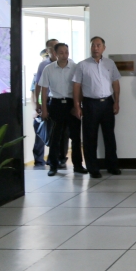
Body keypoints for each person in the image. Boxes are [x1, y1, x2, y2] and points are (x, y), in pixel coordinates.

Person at [72, 36, 121, 178]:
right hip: (90, 104)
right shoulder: (82, 65)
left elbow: (116, 83)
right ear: (90, 47)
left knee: (109, 136)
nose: (95, 48)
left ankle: (112, 166)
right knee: (90, 138)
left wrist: (116, 101)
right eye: (93, 45)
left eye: (98, 45)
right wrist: (77, 106)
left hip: (107, 103)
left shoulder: (110, 63)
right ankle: (93, 168)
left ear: (104, 48)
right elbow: (76, 86)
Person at [39, 43, 86, 176]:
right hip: (56, 104)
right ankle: (53, 166)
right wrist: (44, 108)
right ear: (55, 54)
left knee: (75, 137)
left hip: (71, 104)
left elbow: (80, 88)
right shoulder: (49, 69)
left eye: (66, 52)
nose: (64, 55)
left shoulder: (75, 67)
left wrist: (78, 106)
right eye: (61, 53)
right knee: (55, 137)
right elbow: (44, 89)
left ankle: (78, 165)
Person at [34, 39, 62, 168]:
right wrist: (38, 103)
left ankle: (55, 160)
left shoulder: (66, 63)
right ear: (47, 50)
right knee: (43, 130)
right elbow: (38, 85)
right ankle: (39, 160)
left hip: (61, 102)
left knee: (59, 132)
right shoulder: (43, 65)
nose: (56, 49)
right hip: (48, 101)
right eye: (53, 47)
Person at [30, 49, 48, 169]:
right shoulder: (37, 75)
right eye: (44, 58)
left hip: (52, 106)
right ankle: (39, 161)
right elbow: (33, 93)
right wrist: (35, 109)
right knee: (40, 136)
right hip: (40, 109)